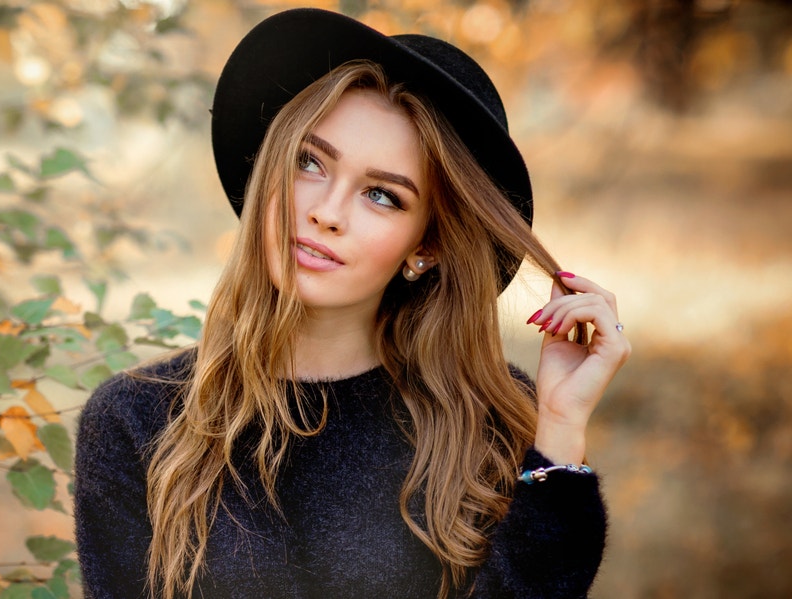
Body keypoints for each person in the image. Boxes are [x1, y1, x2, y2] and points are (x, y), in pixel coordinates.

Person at [73, 8, 630, 599]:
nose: (327, 212)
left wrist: (561, 428)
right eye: (309, 162)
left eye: (382, 195)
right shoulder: (138, 421)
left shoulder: (493, 423)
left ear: (428, 245)